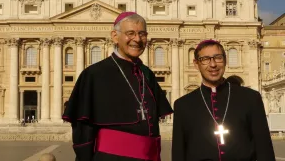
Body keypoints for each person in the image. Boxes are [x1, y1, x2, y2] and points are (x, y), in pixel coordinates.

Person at [62, 12, 173, 161]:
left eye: (142, 34)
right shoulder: (93, 74)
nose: (137, 39)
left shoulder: (147, 73)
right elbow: (83, 131)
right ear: (115, 36)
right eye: (130, 33)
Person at [172, 40, 275, 161]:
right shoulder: (183, 105)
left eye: (218, 58)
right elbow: (178, 153)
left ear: (225, 60)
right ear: (196, 64)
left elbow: (264, 149)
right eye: (205, 59)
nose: (213, 64)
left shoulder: (251, 98)